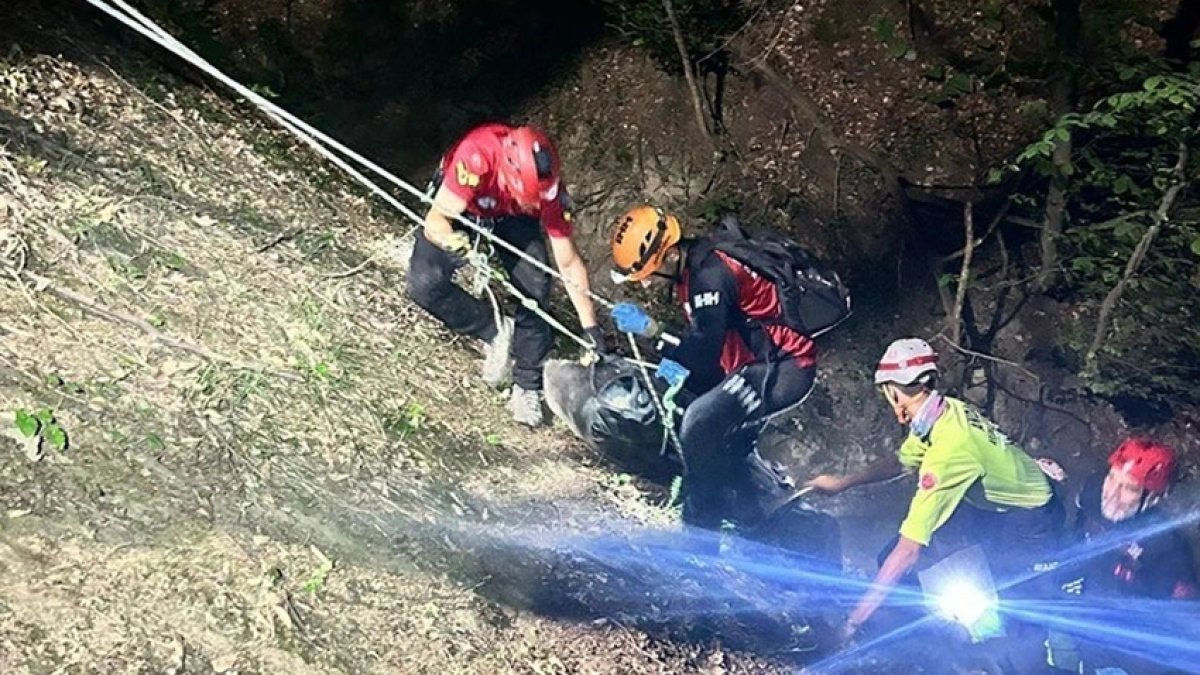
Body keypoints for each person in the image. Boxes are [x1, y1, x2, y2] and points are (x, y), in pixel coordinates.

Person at [804, 338, 1062, 641]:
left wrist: (851, 623)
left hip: (1032, 521)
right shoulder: (943, 412)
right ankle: (916, 634)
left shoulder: (947, 452)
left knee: (1017, 610)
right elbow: (901, 461)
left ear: (893, 391)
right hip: (994, 502)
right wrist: (842, 483)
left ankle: (974, 649)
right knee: (897, 559)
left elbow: (907, 551)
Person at [607, 205, 818, 531]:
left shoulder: (709, 275)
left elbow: (705, 347)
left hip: (784, 367)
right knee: (725, 443)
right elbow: (705, 344)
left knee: (700, 424)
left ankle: (700, 526)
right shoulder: (694, 270)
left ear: (668, 256)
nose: (646, 284)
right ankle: (751, 519)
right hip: (754, 366)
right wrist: (653, 333)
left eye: (648, 274)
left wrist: (666, 365)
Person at [406, 123, 605, 427]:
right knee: (424, 284)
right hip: (468, 203)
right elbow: (436, 220)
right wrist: (450, 241)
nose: (537, 204)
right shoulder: (476, 157)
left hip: (511, 214)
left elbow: (568, 262)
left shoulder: (547, 188)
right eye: (531, 198)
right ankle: (492, 328)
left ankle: (527, 383)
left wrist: (591, 329)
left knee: (536, 286)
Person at [1047, 438, 1196, 674]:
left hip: (1134, 631)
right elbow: (1077, 531)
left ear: (1152, 498)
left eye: (1130, 488)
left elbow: (1180, 612)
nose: (1113, 494)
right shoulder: (1093, 491)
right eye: (1112, 478)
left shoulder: (1164, 545)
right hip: (1091, 598)